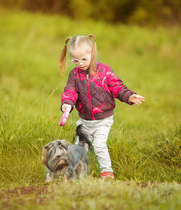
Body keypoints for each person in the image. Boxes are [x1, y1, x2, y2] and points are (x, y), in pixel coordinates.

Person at [59, 34, 145, 179]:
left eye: (84, 59)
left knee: (99, 145)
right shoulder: (74, 75)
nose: (80, 63)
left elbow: (117, 87)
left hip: (103, 120)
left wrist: (129, 96)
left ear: (92, 54)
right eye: (75, 60)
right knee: (80, 148)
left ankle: (107, 172)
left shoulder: (104, 71)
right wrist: (67, 104)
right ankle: (75, 174)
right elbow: (70, 91)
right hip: (85, 121)